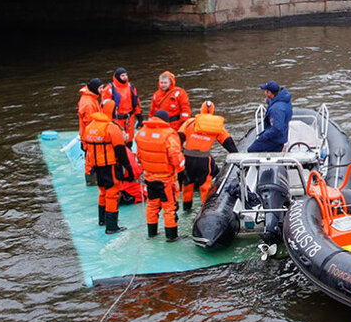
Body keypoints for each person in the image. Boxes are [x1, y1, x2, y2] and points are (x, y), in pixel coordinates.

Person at [83, 100, 133, 234]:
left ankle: (102, 220)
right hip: (109, 165)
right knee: (112, 193)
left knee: (102, 191)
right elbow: (120, 150)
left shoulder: (90, 126)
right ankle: (111, 226)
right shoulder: (111, 127)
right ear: (112, 110)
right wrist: (128, 167)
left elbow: (85, 146)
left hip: (96, 165)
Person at [134, 110, 185, 241]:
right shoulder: (168, 135)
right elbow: (176, 157)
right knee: (169, 207)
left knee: (152, 205)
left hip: (149, 177)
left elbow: (139, 155)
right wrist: (182, 170)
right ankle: (171, 236)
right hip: (166, 179)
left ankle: (152, 233)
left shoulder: (142, 133)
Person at [179, 100, 239, 210]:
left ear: (200, 110)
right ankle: (204, 210)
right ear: (212, 111)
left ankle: (186, 209)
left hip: (188, 159)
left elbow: (179, 137)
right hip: (204, 160)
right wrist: (236, 155)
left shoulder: (190, 122)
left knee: (187, 186)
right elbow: (227, 142)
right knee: (205, 186)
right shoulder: (216, 126)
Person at [248, 81, 292, 152]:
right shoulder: (284, 100)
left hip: (274, 139)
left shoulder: (276, 109)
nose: (264, 92)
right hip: (282, 137)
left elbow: (277, 128)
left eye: (265, 91)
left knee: (251, 150)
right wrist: (269, 101)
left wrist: (264, 136)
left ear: (269, 93)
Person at [101, 68, 141, 141]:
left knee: (129, 141)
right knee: (118, 141)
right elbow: (105, 108)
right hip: (116, 120)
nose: (125, 77)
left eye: (126, 75)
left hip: (129, 119)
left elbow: (136, 103)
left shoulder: (131, 87)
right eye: (122, 75)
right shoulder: (109, 89)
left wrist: (139, 117)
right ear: (117, 77)